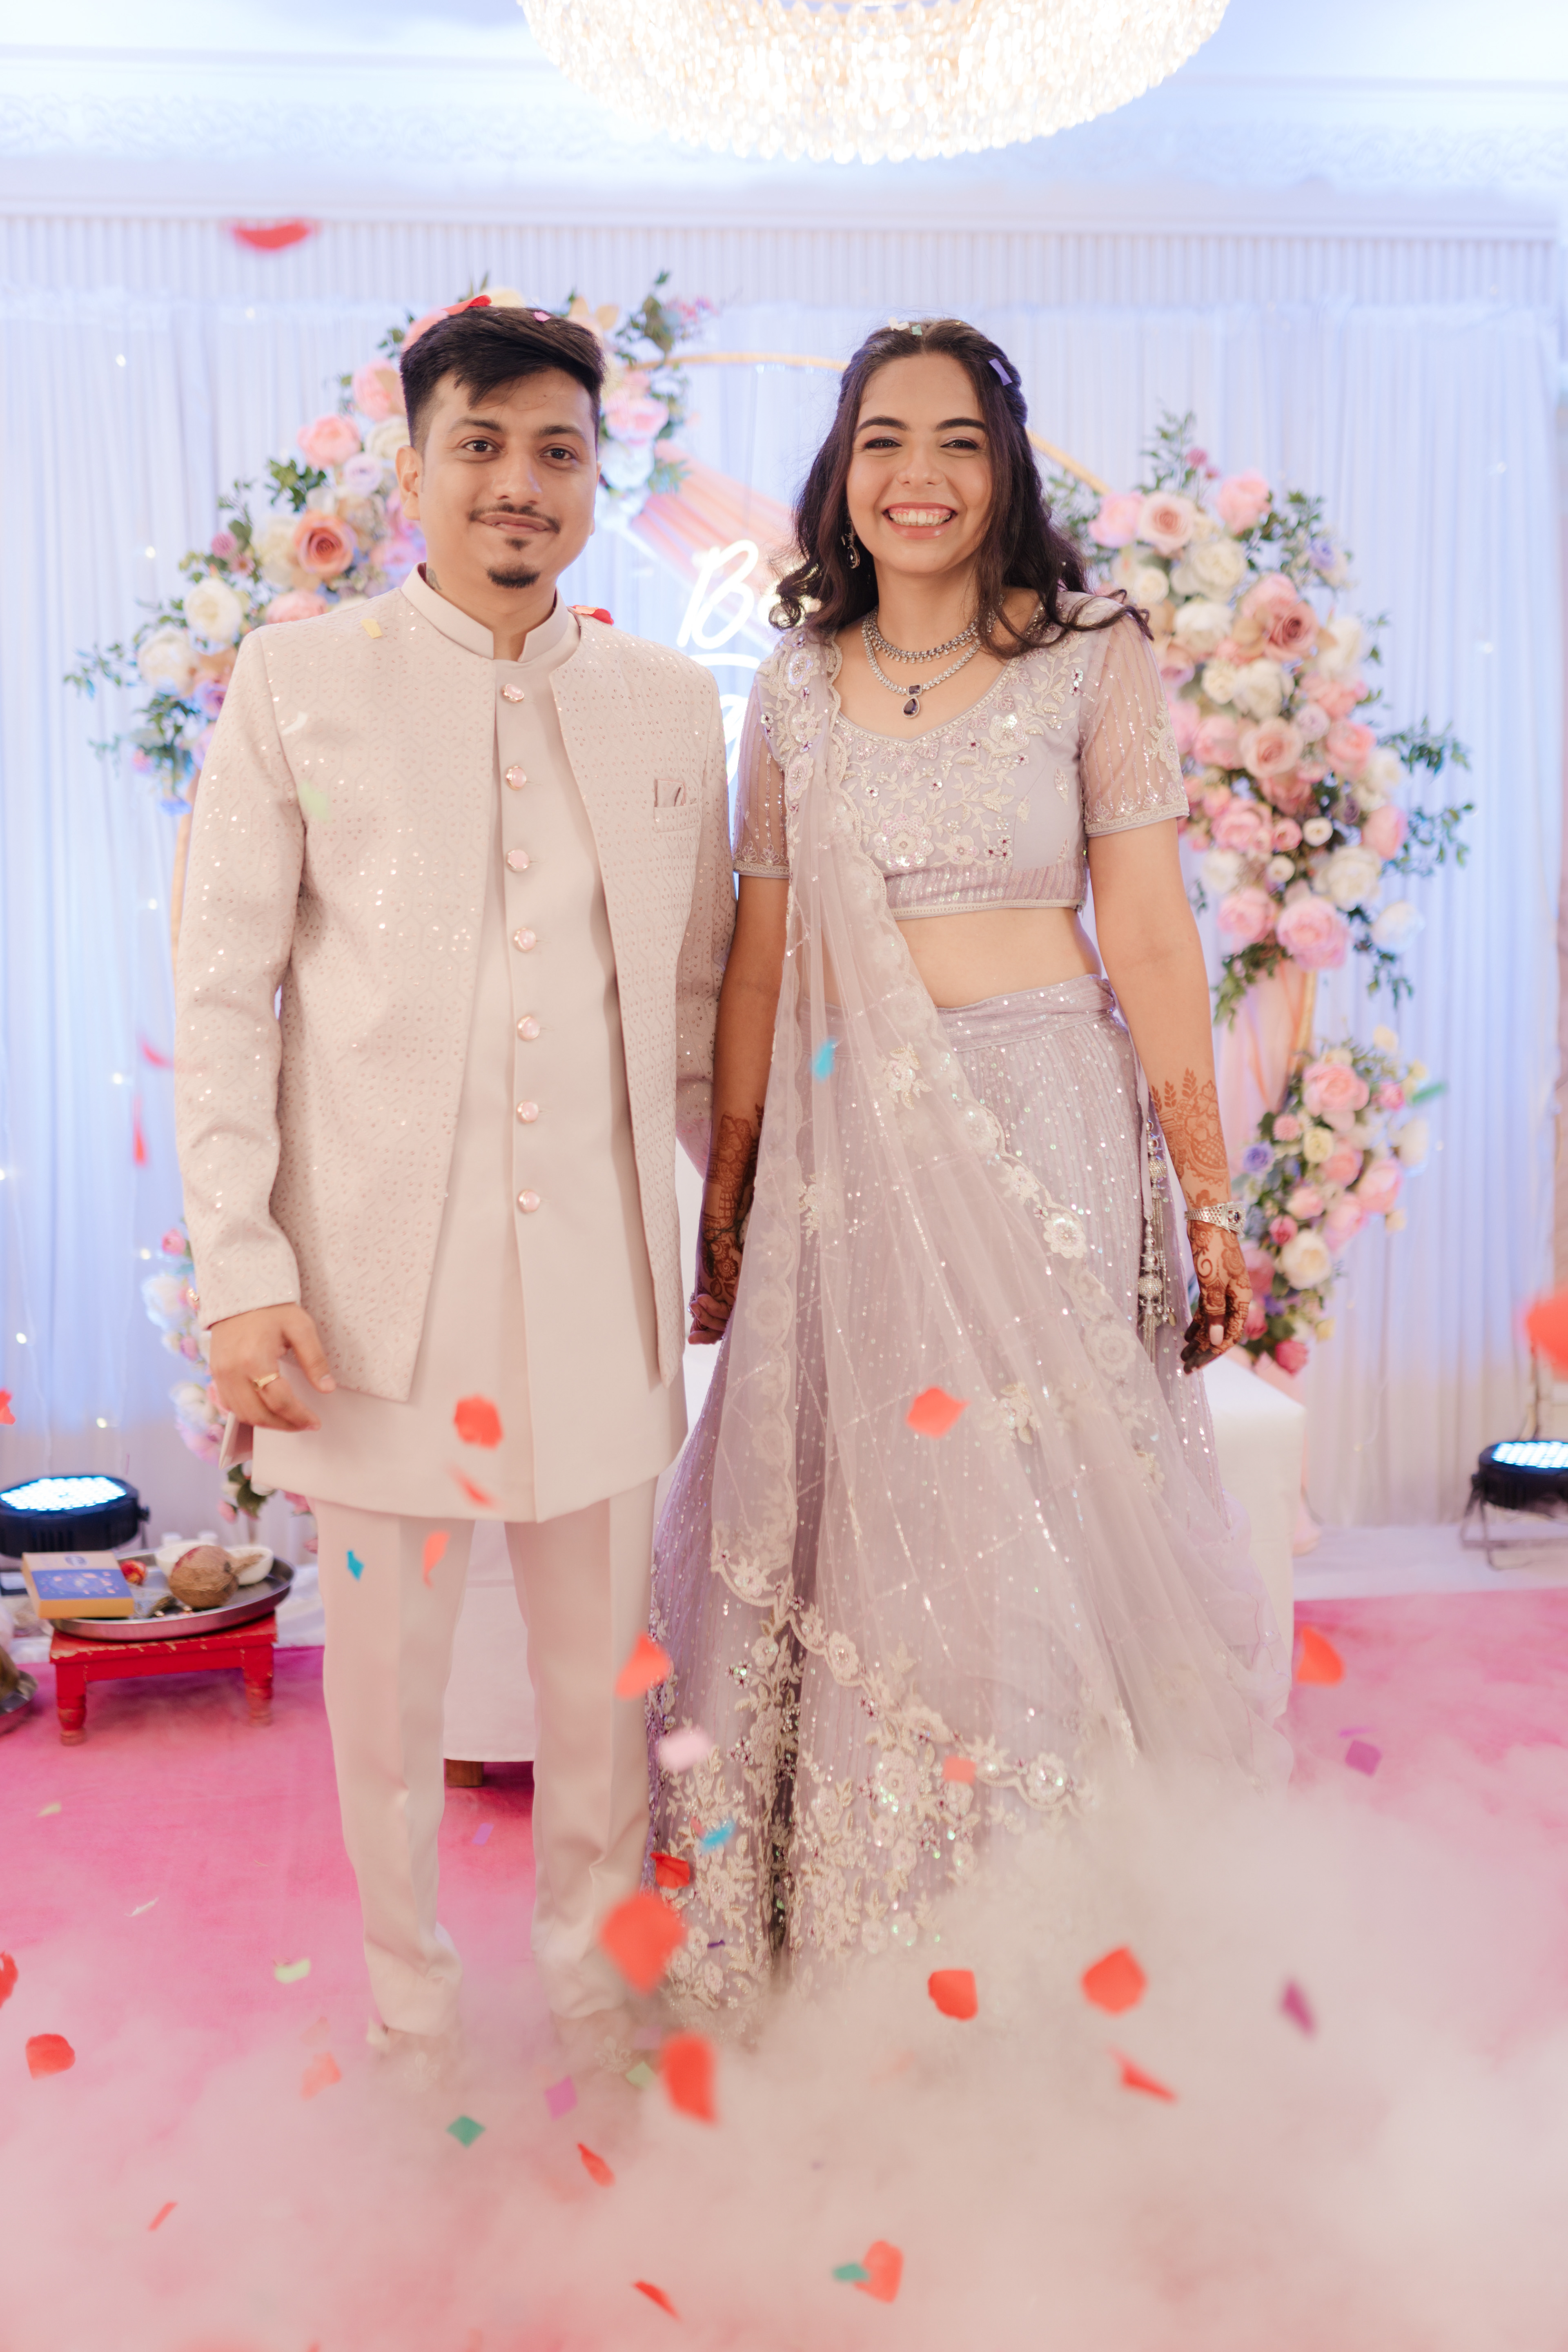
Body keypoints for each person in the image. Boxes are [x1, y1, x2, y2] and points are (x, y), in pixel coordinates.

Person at [648, 318, 1290, 2015]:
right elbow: (760, 966)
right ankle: (877, 1954)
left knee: (1040, 1530)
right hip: (848, 1158)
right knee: (880, 1525)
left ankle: (1070, 1952)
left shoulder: (1091, 654)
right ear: (840, 471)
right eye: (884, 439)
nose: (918, 475)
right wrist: (729, 1198)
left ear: (1003, 472)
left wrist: (1210, 1198)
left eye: (956, 441)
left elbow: (1150, 936)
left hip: (1048, 1132)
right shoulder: (795, 683)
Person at [175, 303, 734, 2072]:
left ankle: (597, 1996)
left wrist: (732, 1216)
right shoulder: (301, 681)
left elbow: (699, 1008)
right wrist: (243, 1270)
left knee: (601, 1695)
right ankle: (412, 2022)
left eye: (556, 452)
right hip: (370, 1302)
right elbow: (222, 997)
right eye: (480, 446)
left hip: (597, 1299)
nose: (518, 484)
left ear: (596, 478)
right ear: (413, 468)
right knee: (387, 1705)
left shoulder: (666, 706)